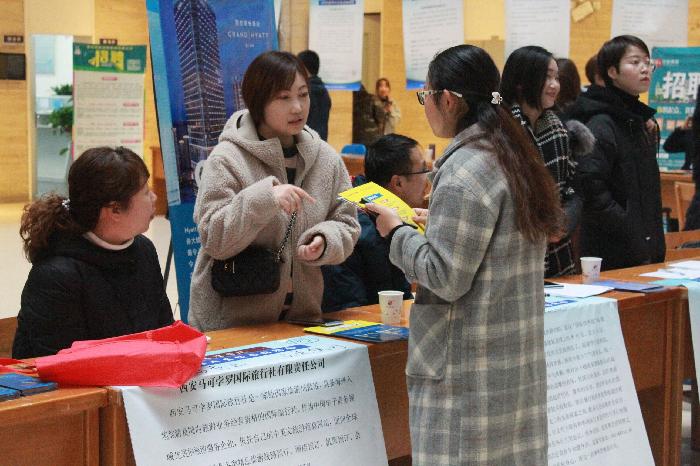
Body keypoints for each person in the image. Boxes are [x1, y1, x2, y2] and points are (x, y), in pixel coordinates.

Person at [367, 44, 562, 465]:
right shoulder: (511, 154)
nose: (425, 106)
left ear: (449, 100)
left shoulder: (462, 169)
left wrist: (396, 231)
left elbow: (444, 275)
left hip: (467, 371)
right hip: (509, 360)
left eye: (425, 95)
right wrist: (434, 220)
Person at [189, 51, 360, 331]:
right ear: (259, 102)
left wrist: (324, 240)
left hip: (302, 320)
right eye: (284, 97)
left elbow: (347, 222)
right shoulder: (227, 158)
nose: (297, 107)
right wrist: (264, 199)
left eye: (303, 95)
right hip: (232, 325)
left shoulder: (326, 159)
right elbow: (214, 238)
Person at [13, 147, 173, 358]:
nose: (154, 197)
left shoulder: (144, 250)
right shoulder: (55, 276)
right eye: (145, 192)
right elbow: (60, 364)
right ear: (114, 210)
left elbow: (164, 330)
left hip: (139, 374)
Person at [567, 35, 664, 269]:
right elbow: (590, 185)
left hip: (643, 246)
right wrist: (628, 224)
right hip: (612, 251)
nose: (645, 69)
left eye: (647, 62)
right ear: (612, 72)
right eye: (635, 62)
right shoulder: (602, 122)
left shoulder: (637, 119)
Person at [501, 46, 590, 277]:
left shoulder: (558, 129)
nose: (554, 85)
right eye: (547, 77)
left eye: (556, 78)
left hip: (557, 250)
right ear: (521, 83)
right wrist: (538, 227)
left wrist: (563, 223)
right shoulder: (501, 130)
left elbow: (574, 188)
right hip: (512, 254)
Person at [321, 133, 429, 312]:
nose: (428, 180)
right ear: (398, 183)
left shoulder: (396, 217)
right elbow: (350, 312)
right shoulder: (355, 229)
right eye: (424, 171)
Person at [297, 50, 331, 141]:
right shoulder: (323, 90)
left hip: (307, 142)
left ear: (303, 68)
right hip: (321, 142)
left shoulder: (306, 92)